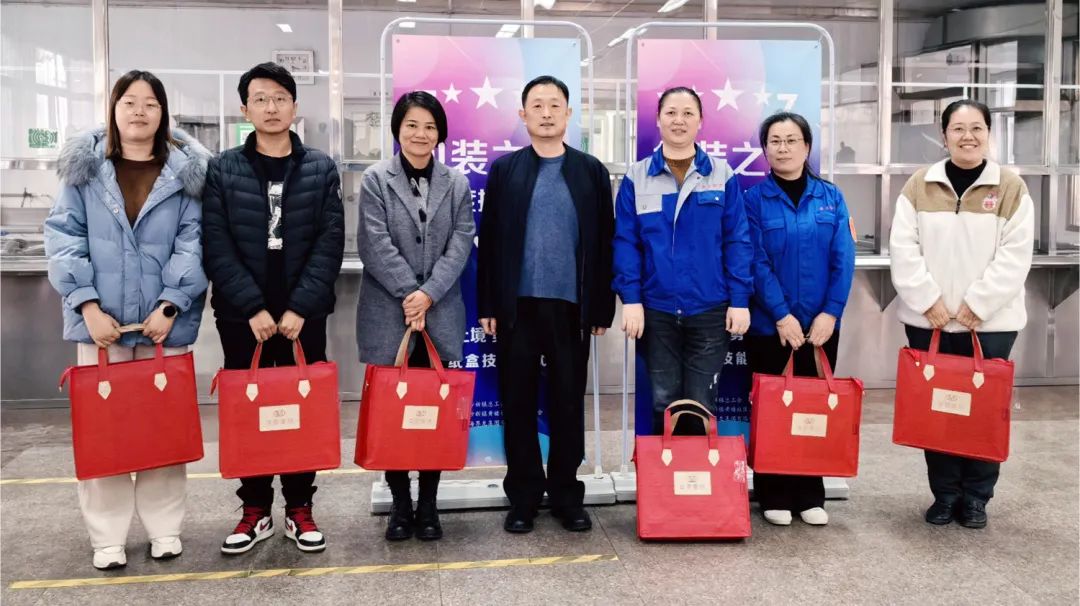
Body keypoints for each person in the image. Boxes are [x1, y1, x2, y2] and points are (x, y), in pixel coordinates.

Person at [44, 70, 210, 569]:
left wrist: (170, 304)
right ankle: (107, 537)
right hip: (102, 328)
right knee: (105, 433)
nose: (139, 111)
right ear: (114, 109)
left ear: (163, 114)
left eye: (150, 103)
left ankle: (165, 529)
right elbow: (64, 238)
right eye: (129, 102)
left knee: (164, 430)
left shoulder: (185, 175)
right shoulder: (85, 172)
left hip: (164, 327)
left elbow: (195, 242)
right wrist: (87, 305)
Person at [202, 62, 344, 554]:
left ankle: (300, 507)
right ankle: (255, 509)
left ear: (295, 107)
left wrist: (301, 305)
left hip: (305, 315)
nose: (271, 107)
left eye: (280, 98)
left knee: (302, 406)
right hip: (244, 316)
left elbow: (330, 241)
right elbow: (216, 243)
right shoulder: (223, 169)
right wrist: (251, 307)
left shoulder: (320, 168)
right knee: (251, 409)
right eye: (260, 99)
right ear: (245, 109)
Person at [477, 75, 615, 534]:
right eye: (537, 105)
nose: (546, 112)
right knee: (517, 402)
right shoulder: (506, 170)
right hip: (516, 307)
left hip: (572, 309)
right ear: (523, 115)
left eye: (555, 104)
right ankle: (523, 498)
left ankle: (566, 496)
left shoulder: (590, 171)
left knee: (567, 403)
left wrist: (600, 307)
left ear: (569, 113)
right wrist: (489, 304)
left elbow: (605, 242)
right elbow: (489, 242)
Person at [890, 98, 1033, 529]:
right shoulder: (920, 184)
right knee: (936, 412)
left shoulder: (1010, 187)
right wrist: (927, 301)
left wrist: (978, 305)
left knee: (982, 414)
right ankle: (945, 494)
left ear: (988, 133)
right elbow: (903, 247)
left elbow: (1015, 255)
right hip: (929, 322)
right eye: (958, 128)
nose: (967, 136)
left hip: (989, 325)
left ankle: (976, 498)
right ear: (944, 134)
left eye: (976, 128)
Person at [356, 91, 475, 542]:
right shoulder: (375, 179)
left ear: (440, 134)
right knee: (393, 412)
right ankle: (400, 505)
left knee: (431, 410)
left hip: (438, 312)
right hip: (390, 313)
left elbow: (461, 241)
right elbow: (373, 242)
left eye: (429, 127)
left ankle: (428, 505)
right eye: (412, 125)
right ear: (397, 130)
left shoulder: (456, 183)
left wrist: (428, 295)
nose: (421, 134)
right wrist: (410, 294)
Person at [612, 86, 753, 435]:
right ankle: (666, 472)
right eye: (671, 113)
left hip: (710, 308)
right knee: (664, 404)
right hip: (656, 309)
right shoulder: (637, 177)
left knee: (702, 405)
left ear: (700, 121)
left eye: (688, 113)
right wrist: (631, 300)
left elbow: (737, 240)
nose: (679, 120)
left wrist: (739, 301)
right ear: (658, 120)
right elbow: (626, 243)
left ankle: (699, 471)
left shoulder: (721, 174)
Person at [743, 111, 856, 527]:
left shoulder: (831, 198)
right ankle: (772, 492)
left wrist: (831, 312)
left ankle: (810, 493)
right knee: (773, 412)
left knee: (813, 412)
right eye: (775, 140)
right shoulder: (753, 200)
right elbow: (754, 261)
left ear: (807, 147)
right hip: (770, 327)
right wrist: (780, 315)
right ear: (764, 149)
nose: (783, 148)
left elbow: (843, 258)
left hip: (821, 327)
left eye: (792, 140)